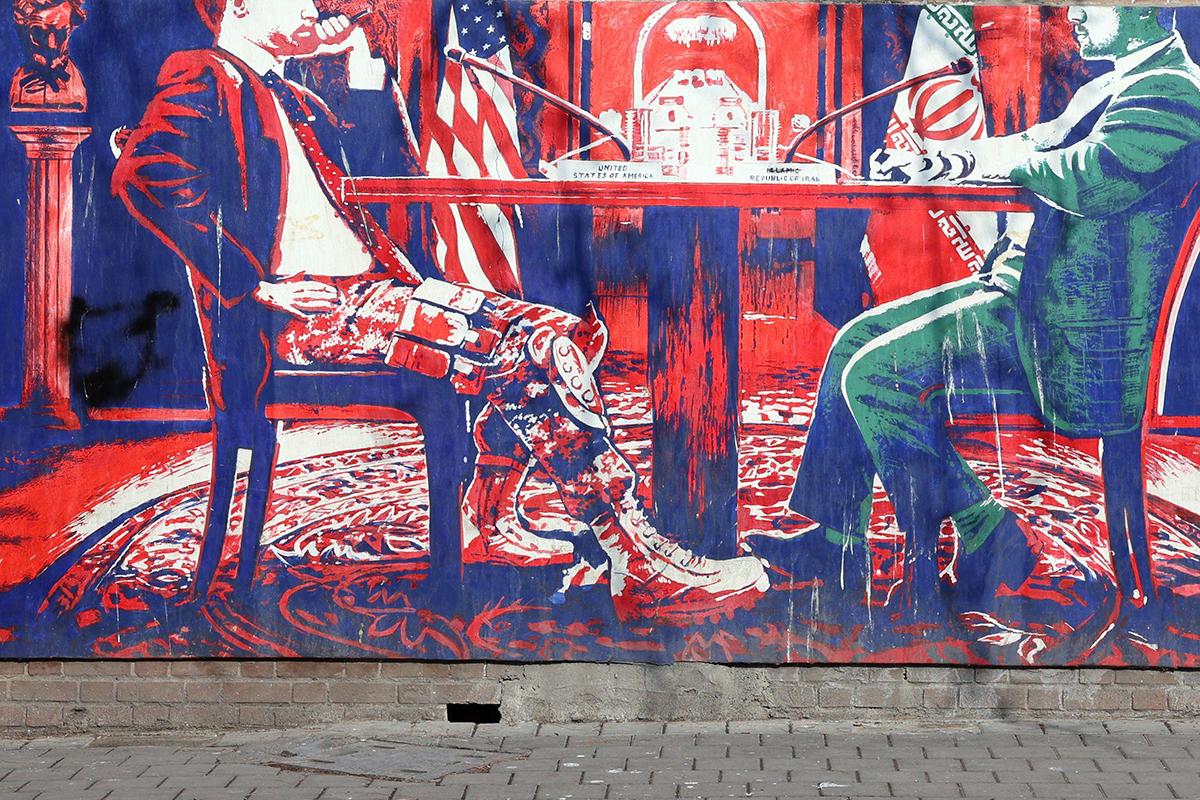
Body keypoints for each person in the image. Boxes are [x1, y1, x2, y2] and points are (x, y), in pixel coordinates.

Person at [112, 0, 769, 625]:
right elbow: (142, 174)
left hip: (371, 296)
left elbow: (380, 172)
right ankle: (638, 560)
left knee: (569, 336)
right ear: (239, 6)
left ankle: (487, 513)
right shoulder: (206, 73)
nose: (315, 5)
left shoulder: (292, 94)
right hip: (311, 319)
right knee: (534, 348)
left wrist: (359, 60)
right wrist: (256, 284)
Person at [764, 6, 1200, 624]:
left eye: (1092, 2)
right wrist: (947, 164)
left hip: (1069, 333)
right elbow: (1033, 144)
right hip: (1028, 292)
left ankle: (985, 528)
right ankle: (837, 544)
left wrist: (1009, 165)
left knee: (873, 376)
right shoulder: (1116, 82)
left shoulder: (1173, 90)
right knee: (852, 343)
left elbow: (1092, 177)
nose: (1074, 13)